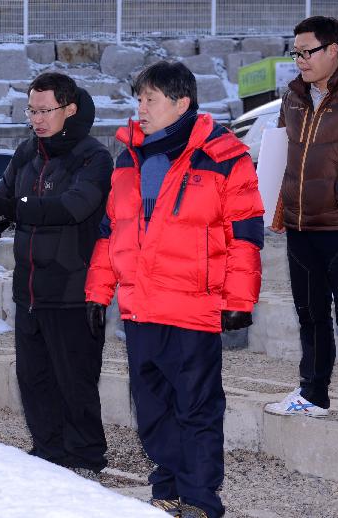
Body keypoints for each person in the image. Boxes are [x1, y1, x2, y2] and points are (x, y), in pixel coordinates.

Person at [85, 61, 264, 518]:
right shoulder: (128, 157)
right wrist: (97, 292)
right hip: (140, 308)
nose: (140, 108)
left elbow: (244, 235)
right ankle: (166, 487)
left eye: (150, 99)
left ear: (181, 103)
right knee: (151, 409)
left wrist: (239, 301)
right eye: (138, 98)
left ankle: (201, 500)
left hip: (194, 308)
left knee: (197, 408)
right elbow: (111, 231)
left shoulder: (225, 156)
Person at [0, 72, 113, 479]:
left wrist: (13, 210)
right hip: (28, 288)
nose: (37, 119)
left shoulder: (94, 156)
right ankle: (47, 452)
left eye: (45, 110)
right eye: (32, 110)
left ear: (70, 108)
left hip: (73, 289)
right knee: (33, 379)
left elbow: (73, 207)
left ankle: (85, 457)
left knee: (75, 381)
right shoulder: (27, 152)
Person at [265, 16, 338, 417]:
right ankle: (312, 394)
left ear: (333, 49)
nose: (299, 59)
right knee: (310, 313)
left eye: (307, 51)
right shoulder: (293, 97)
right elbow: (283, 152)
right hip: (300, 224)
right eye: (295, 51)